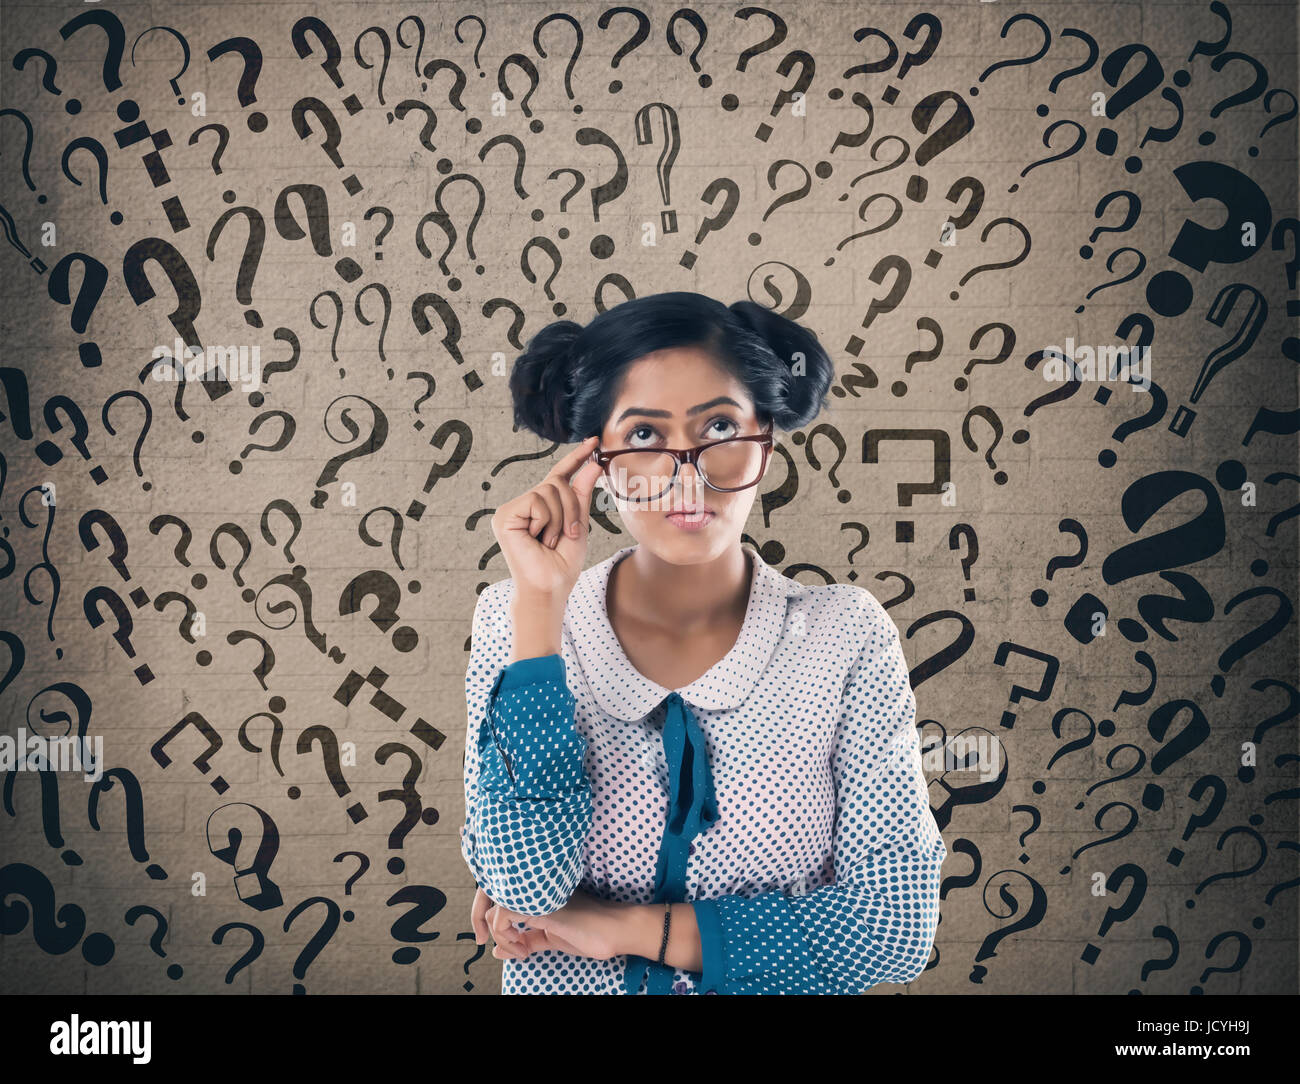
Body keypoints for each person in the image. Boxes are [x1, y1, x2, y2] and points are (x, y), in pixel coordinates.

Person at [460, 290, 947, 994]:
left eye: (720, 426)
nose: (687, 478)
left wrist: (620, 928)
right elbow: (526, 882)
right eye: (647, 437)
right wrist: (540, 607)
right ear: (596, 460)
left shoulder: (846, 634)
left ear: (766, 441)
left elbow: (889, 930)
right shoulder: (514, 619)